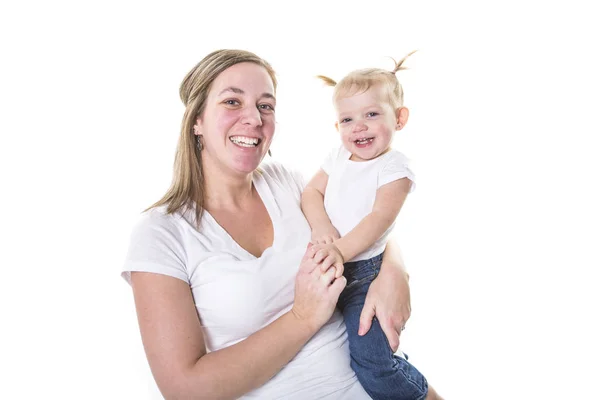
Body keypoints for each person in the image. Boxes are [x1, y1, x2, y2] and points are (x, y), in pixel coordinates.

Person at [121, 49, 428, 399]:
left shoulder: (289, 185)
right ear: (197, 120)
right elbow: (185, 390)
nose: (253, 118)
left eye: (265, 105)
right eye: (232, 102)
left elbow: (368, 224)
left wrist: (395, 272)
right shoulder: (161, 235)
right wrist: (302, 317)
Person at [301, 51, 443, 400]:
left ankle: (413, 392)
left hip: (365, 276)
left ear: (400, 118)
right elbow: (311, 192)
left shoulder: (395, 168)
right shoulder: (337, 157)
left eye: (372, 114)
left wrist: (338, 250)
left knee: (371, 359)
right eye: (347, 119)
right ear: (337, 127)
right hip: (331, 270)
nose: (358, 126)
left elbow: (379, 220)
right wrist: (321, 226)